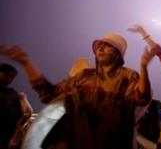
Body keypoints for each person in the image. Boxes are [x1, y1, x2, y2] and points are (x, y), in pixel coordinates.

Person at [0, 33, 153, 149]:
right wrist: (27, 63)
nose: (100, 48)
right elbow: (49, 94)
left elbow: (141, 97)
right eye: (99, 45)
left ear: (118, 53)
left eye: (107, 45)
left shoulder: (128, 76)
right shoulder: (83, 77)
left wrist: (144, 68)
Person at [0, 63, 23, 149]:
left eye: (12, 77)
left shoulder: (11, 93)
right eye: (6, 75)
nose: (9, 79)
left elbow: (18, 115)